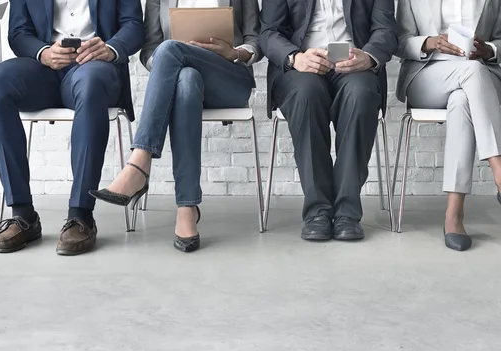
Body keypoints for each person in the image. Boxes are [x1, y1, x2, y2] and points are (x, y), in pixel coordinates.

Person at [89, 0, 262, 253]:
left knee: (170, 49)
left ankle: (139, 164)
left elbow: (255, 40)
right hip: (181, 79)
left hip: (229, 78)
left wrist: (234, 52)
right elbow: (149, 51)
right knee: (186, 79)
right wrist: (168, 66)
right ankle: (187, 207)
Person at [0, 0, 144, 256]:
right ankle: (22, 214)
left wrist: (110, 48)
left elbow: (134, 26)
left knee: (90, 83)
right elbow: (18, 32)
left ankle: (81, 216)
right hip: (43, 70)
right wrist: (44, 53)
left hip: (95, 68)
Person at [259, 0, 398, 242]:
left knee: (361, 95)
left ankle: (347, 213)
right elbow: (269, 32)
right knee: (306, 95)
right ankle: (317, 212)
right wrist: (295, 57)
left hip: (354, 65)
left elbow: (386, 29)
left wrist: (369, 56)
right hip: (301, 66)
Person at [397, 0, 501, 252]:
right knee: (472, 72)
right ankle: (499, 170)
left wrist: (489, 50)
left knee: (462, 99)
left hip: (479, 81)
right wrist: (428, 42)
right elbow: (398, 41)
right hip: (426, 74)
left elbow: (498, 39)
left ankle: (454, 215)